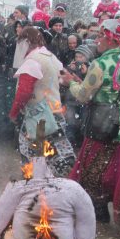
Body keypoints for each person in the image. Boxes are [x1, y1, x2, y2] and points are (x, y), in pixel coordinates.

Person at [60, 19, 120, 237]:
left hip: (103, 129)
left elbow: (84, 95)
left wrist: (69, 83)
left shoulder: (100, 64)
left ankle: (97, 213)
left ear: (111, 39)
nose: (97, 41)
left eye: (101, 37)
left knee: (92, 175)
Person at [9, 27, 75, 177]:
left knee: (34, 153)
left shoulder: (32, 61)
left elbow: (24, 91)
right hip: (55, 112)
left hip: (39, 118)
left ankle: (35, 184)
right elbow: (66, 77)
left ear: (26, 42)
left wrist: (13, 112)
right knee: (59, 150)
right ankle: (67, 180)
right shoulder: (50, 56)